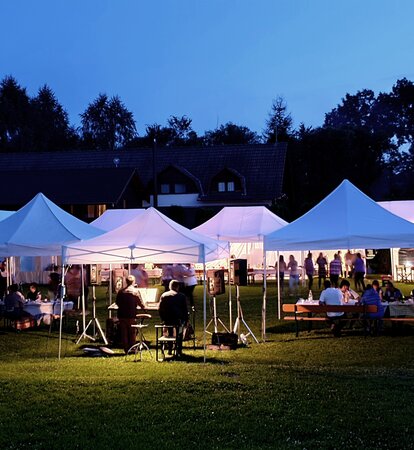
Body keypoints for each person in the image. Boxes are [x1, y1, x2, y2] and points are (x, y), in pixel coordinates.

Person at [116, 275, 146, 354]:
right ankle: (132, 348)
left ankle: (126, 349)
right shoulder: (135, 291)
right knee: (132, 332)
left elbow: (117, 302)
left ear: (126, 282)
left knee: (124, 333)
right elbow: (141, 303)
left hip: (122, 314)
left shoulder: (121, 291)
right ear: (133, 282)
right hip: (131, 314)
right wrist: (144, 308)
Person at [158, 279, 189, 357]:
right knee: (180, 333)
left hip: (167, 319)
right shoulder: (181, 296)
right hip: (178, 320)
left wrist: (163, 318)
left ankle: (170, 349)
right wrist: (186, 320)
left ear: (170, 286)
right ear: (177, 287)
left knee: (170, 333)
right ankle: (179, 350)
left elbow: (160, 308)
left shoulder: (164, 295)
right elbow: (185, 309)